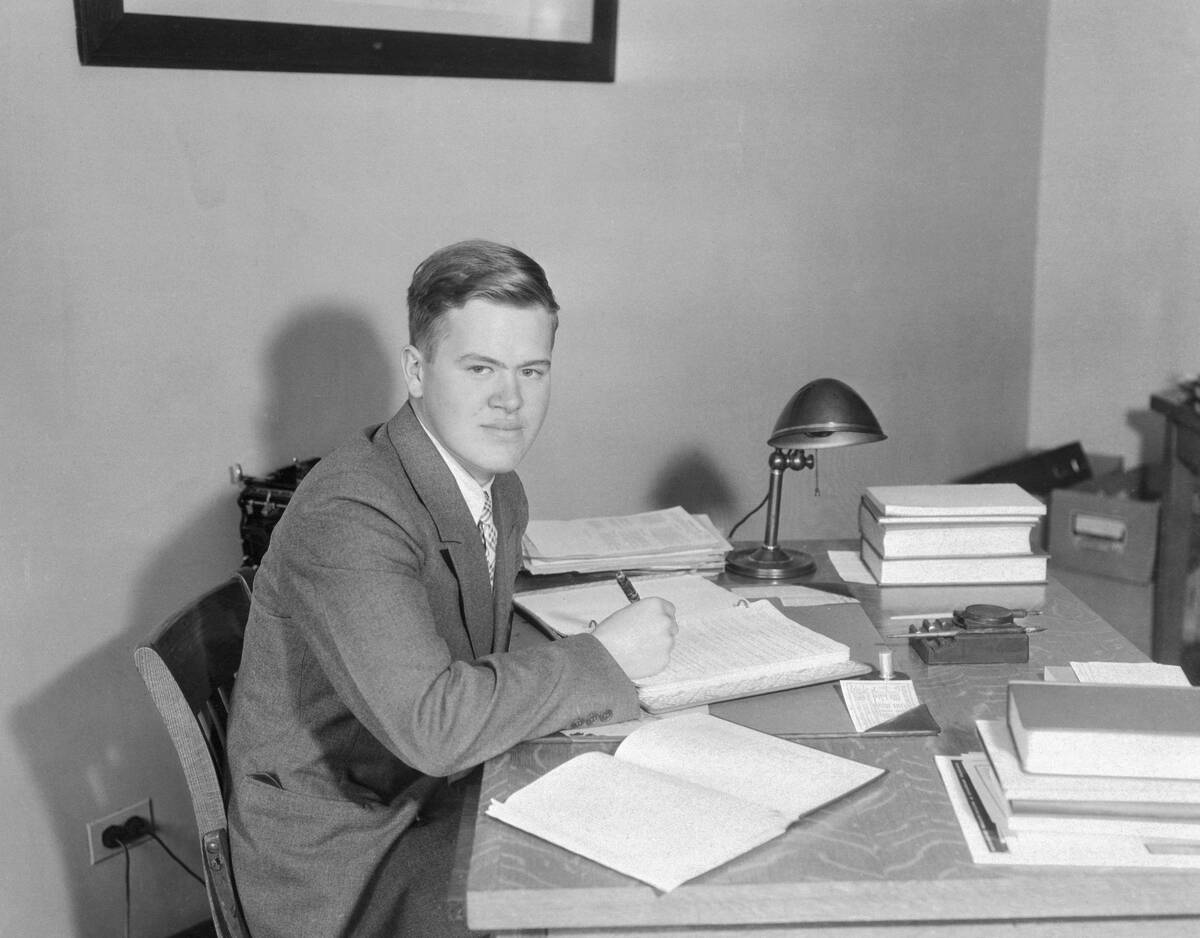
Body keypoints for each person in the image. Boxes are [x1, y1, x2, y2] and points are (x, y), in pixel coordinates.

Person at [226, 240, 678, 937]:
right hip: (348, 853)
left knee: (646, 839)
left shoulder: (497, 489)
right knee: (607, 891)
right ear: (416, 370)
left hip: (427, 793)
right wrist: (605, 658)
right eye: (480, 369)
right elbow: (436, 729)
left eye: (532, 370)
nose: (510, 400)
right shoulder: (351, 514)